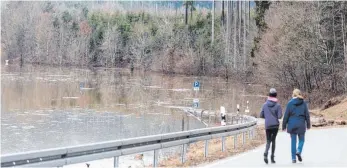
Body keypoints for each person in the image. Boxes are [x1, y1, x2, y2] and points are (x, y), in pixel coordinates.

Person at [282, 89, 311, 163]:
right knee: (302, 140)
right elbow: (307, 115)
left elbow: (286, 116)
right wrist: (308, 125)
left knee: (293, 141)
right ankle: (299, 151)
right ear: (299, 94)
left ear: (293, 94)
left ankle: (293, 158)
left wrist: (284, 126)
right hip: (301, 124)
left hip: (292, 125)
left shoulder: (289, 103)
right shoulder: (303, 103)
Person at [260, 88, 283, 164]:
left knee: (268, 140)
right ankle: (272, 157)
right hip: (275, 125)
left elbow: (261, 115)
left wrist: (267, 117)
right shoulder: (278, 105)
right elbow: (280, 116)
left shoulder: (265, 105)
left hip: (268, 125)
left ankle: (266, 152)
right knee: (273, 140)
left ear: (269, 95)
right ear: (276, 95)